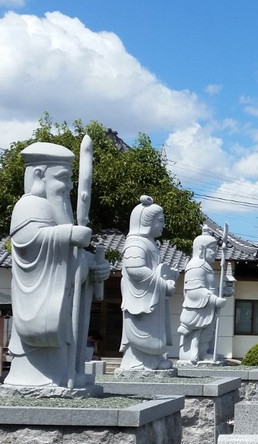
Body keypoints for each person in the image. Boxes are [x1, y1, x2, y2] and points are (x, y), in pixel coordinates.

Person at [5, 142, 110, 390]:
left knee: (64, 346)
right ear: (39, 175)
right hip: (39, 300)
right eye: (63, 178)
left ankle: (67, 373)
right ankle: (43, 379)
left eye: (72, 179)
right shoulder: (30, 205)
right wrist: (68, 234)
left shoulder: (59, 211)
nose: (71, 186)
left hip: (63, 304)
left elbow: (70, 260)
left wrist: (92, 268)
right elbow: (28, 241)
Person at [118, 196, 177, 372]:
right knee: (143, 331)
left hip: (152, 297)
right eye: (160, 221)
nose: (163, 225)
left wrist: (166, 276)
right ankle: (137, 363)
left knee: (153, 329)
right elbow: (135, 270)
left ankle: (153, 360)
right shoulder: (135, 243)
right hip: (141, 299)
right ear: (146, 222)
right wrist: (163, 284)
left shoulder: (150, 243)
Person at [177, 228, 232, 364]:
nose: (215, 253)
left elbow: (210, 288)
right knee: (200, 333)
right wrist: (214, 299)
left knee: (208, 332)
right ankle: (196, 354)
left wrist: (222, 291)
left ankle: (205, 352)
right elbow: (194, 289)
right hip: (198, 309)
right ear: (202, 249)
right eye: (212, 249)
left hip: (207, 307)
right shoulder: (196, 265)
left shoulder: (206, 266)